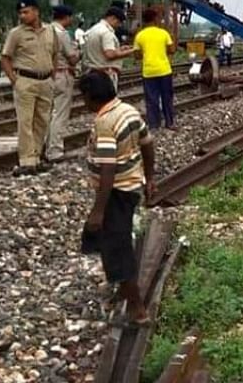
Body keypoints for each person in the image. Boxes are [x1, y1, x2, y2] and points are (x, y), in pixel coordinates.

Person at [78, 70, 156, 327]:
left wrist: (98, 211)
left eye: (83, 97)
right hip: (132, 184)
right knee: (111, 241)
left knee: (118, 247)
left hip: (117, 191)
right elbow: (147, 143)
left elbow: (108, 169)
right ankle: (122, 290)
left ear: (91, 96)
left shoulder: (105, 122)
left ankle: (137, 310)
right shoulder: (128, 110)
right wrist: (150, 178)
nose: (83, 102)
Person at [1, 0, 58, 176]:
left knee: (42, 120)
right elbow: (5, 58)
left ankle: (38, 157)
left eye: (26, 12)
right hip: (25, 81)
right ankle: (27, 160)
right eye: (20, 13)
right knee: (25, 121)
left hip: (46, 81)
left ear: (36, 11)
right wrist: (14, 80)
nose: (22, 16)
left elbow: (55, 53)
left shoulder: (50, 31)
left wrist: (53, 75)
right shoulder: (16, 33)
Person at [46, 5, 81, 163]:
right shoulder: (62, 34)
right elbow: (72, 58)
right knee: (59, 114)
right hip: (62, 74)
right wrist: (81, 51)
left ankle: (42, 148)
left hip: (47, 76)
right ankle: (55, 151)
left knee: (46, 114)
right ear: (66, 17)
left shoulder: (45, 30)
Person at [133, 8, 177, 131]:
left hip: (148, 72)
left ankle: (154, 125)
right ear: (155, 19)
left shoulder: (140, 35)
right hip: (164, 70)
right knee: (166, 98)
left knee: (151, 100)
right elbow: (172, 50)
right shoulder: (163, 33)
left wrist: (147, 53)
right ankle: (169, 123)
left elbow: (136, 55)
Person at [83, 7, 136, 89]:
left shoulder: (93, 29)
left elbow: (101, 50)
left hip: (93, 72)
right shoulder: (106, 32)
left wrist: (120, 49)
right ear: (113, 18)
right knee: (108, 100)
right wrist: (130, 51)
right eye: (118, 22)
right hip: (105, 74)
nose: (119, 25)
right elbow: (110, 54)